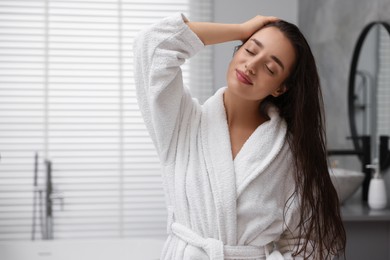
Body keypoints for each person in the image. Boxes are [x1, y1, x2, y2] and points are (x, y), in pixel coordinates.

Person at [133, 13, 346, 260]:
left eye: (269, 67)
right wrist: (240, 29)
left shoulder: (287, 155)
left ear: (280, 88)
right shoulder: (180, 123)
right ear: (237, 49)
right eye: (250, 50)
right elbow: (152, 46)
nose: (251, 66)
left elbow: (311, 244)